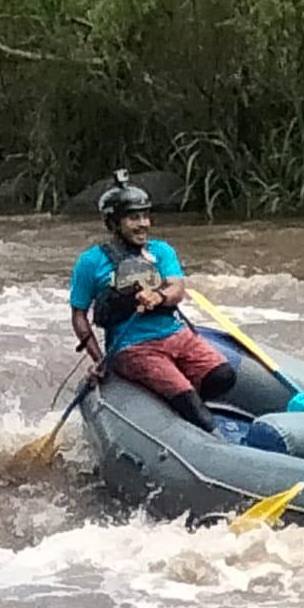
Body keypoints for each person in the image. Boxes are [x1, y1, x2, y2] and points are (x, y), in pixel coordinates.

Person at [68, 170, 235, 433]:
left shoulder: (161, 251)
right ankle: (192, 414)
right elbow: (79, 315)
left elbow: (177, 288)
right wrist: (99, 359)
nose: (143, 223)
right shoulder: (91, 262)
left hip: (175, 334)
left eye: (146, 216)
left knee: (223, 376)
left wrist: (158, 296)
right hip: (133, 347)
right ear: (113, 223)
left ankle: (173, 399)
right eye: (134, 218)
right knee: (194, 409)